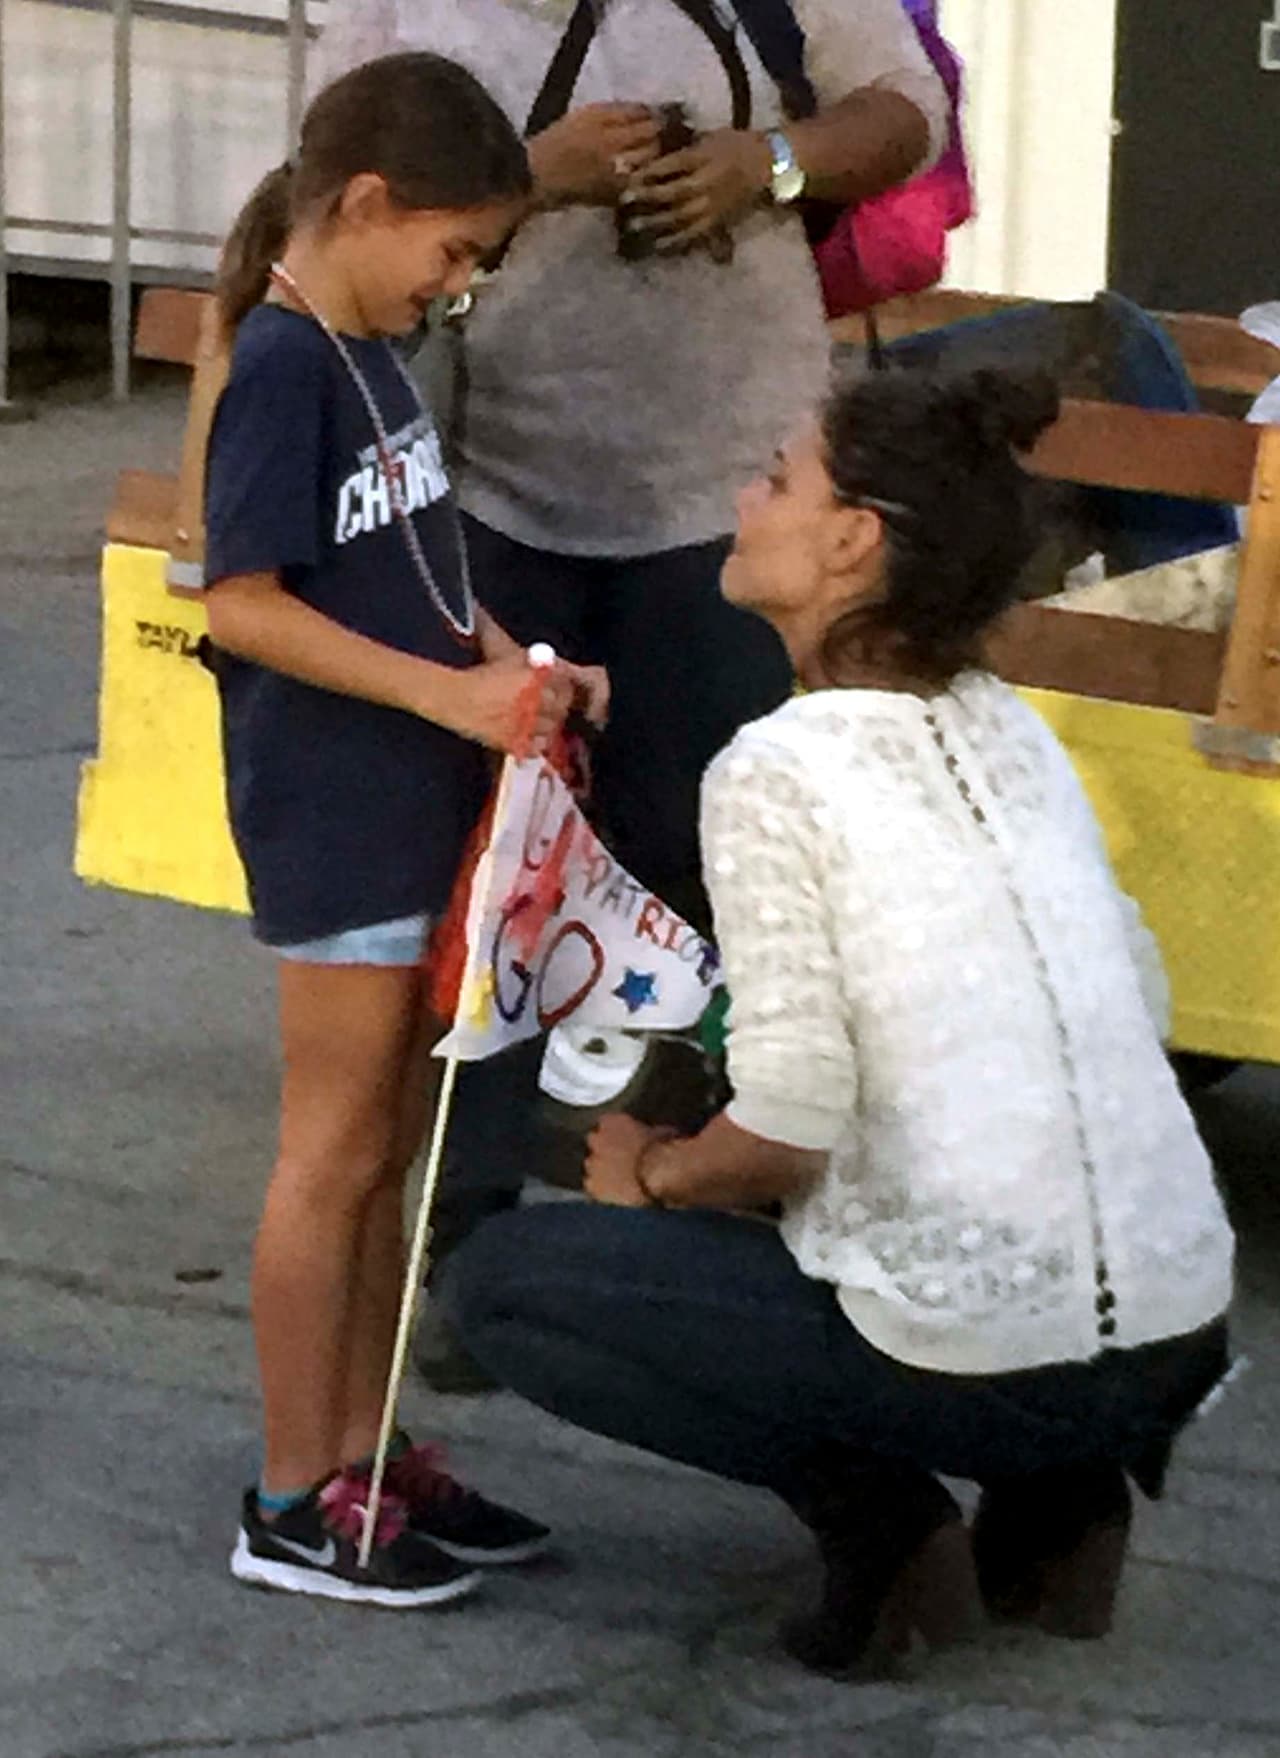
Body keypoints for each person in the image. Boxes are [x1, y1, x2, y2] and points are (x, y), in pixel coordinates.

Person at [438, 366, 1237, 1674]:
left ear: (853, 541)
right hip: (1176, 1328)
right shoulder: (1013, 728)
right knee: (912, 1268)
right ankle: (1065, 1499)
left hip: (998, 1352)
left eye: (774, 479)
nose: (742, 501)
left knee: (505, 1287)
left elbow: (792, 1123)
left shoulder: (776, 768)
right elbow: (1133, 999)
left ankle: (885, 1521)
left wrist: (659, 1174)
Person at [314, 0, 951, 1384]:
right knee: (492, 892)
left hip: (741, 519)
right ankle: (471, 1253)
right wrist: (529, 176)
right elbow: (316, 200)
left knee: (736, 879)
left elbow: (908, 111)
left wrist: (764, 164)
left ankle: (740, 1240)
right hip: (489, 501)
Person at [201, 51, 605, 1607]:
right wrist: (443, 705)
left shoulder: (376, 352)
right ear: (365, 205)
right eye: (452, 250)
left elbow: (416, 567)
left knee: (395, 1161)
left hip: (419, 805)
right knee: (333, 1152)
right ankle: (291, 1492)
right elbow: (244, 603)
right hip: (336, 818)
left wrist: (514, 666)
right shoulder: (287, 361)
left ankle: (365, 1447)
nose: (461, 283)